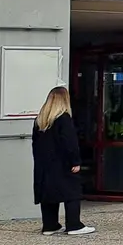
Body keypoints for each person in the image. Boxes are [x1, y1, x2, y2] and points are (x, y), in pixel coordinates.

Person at [32, 86, 93, 236]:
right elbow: (70, 143)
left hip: (44, 165)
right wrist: (75, 161)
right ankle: (74, 225)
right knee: (72, 193)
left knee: (48, 193)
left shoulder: (40, 120)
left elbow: (35, 144)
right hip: (62, 164)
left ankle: (50, 225)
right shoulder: (64, 119)